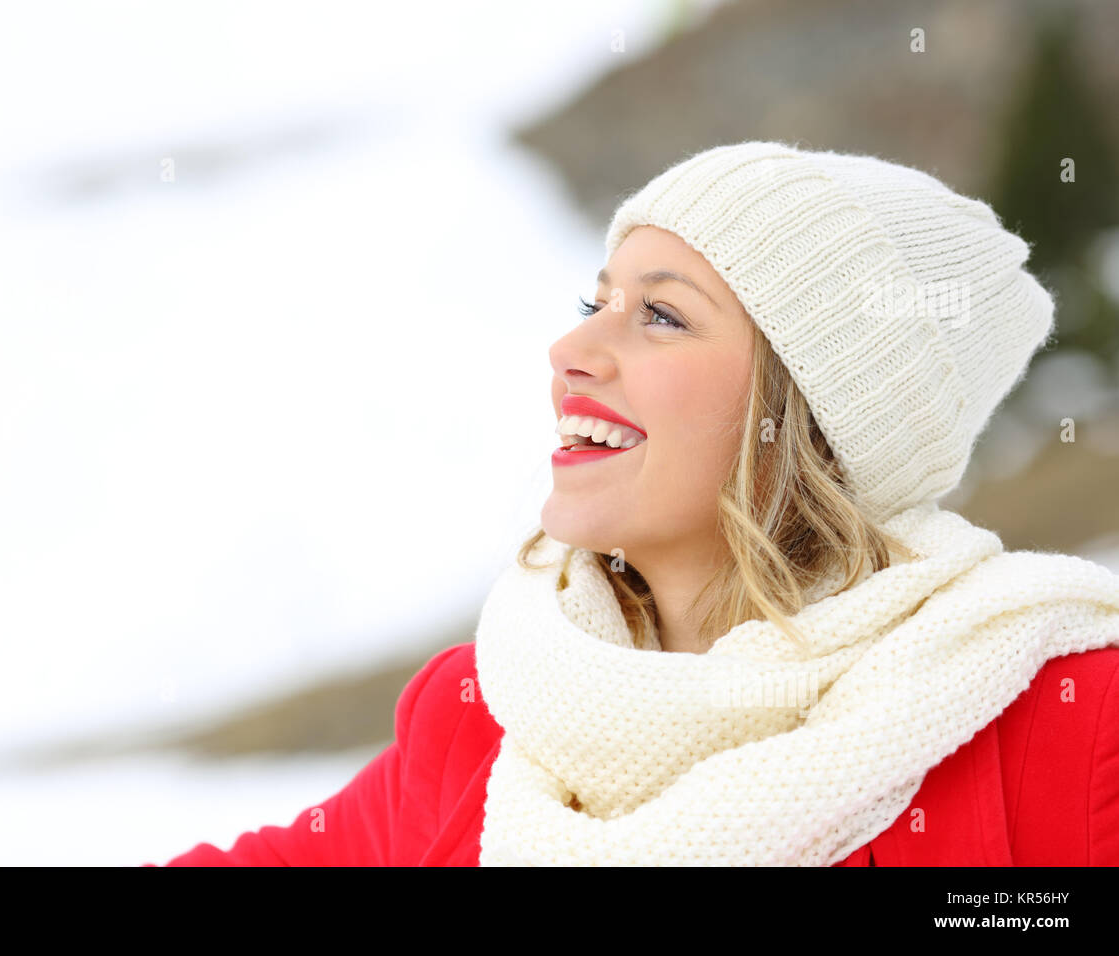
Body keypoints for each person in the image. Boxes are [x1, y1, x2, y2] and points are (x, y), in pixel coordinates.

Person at [146, 141, 1119, 866]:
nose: (571, 351)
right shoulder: (488, 717)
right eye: (593, 303)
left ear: (816, 414)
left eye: (660, 313)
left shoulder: (1057, 723)